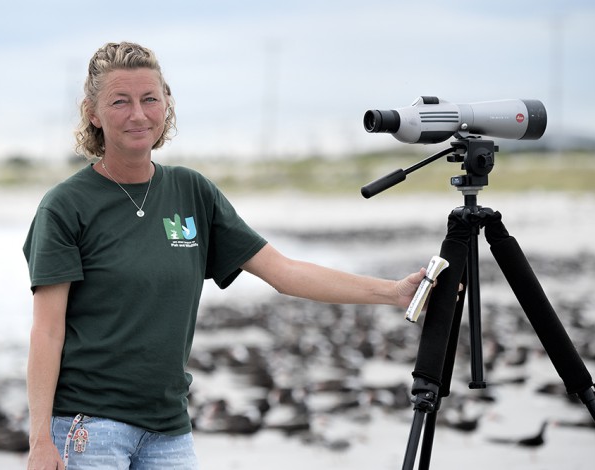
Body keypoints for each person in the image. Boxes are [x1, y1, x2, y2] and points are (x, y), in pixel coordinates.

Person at [23, 41, 427, 470]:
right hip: (90, 429)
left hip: (169, 429)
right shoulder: (65, 206)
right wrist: (39, 440)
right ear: (92, 112)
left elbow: (284, 272)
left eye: (150, 99)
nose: (138, 115)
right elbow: (47, 332)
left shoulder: (192, 192)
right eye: (120, 102)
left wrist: (394, 293)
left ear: (166, 105)